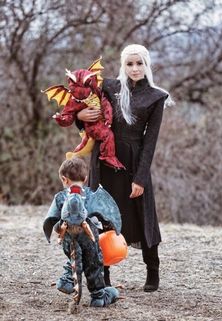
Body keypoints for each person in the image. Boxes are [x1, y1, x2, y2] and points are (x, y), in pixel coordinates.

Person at [76, 44, 173, 292]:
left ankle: (153, 271)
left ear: (147, 64)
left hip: (133, 161)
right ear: (123, 65)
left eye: (139, 63)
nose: (134, 68)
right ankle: (103, 273)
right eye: (129, 64)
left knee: (143, 213)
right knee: (101, 215)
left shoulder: (156, 97)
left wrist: (140, 178)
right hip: (104, 159)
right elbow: (87, 112)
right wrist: (81, 117)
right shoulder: (108, 87)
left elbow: (150, 142)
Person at [43, 157, 119, 307]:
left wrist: (58, 228)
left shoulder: (60, 197)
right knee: (93, 263)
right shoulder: (92, 195)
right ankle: (98, 297)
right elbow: (105, 212)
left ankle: (67, 280)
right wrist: (112, 226)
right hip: (89, 237)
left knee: (73, 254)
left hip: (67, 237)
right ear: (85, 179)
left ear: (64, 179)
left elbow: (51, 219)